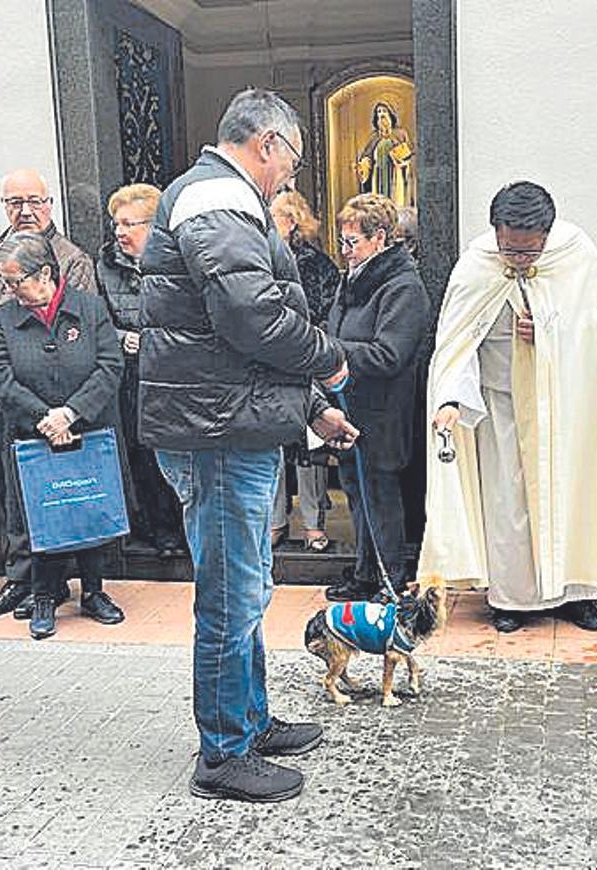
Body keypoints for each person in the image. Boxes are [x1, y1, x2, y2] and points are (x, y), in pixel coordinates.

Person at [139, 88, 358, 803]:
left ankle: (250, 720)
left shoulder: (219, 195)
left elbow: (242, 339)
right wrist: (326, 359)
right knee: (231, 594)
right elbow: (251, 316)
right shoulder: (217, 198)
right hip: (218, 433)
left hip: (228, 420)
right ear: (267, 144)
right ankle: (224, 753)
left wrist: (315, 409)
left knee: (246, 585)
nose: (287, 180)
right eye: (289, 165)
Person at [419, 181, 597, 632]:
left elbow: (596, 333)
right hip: (500, 405)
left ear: (547, 234)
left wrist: (547, 330)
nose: (519, 262)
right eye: (510, 251)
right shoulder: (478, 264)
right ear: (496, 234)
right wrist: (449, 400)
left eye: (528, 252)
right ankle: (512, 600)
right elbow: (458, 343)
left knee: (573, 495)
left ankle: (580, 594)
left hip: (566, 407)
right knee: (509, 508)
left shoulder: (575, 255)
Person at [0, 233, 125, 640]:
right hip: (32, 433)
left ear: (45, 274)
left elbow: (110, 366)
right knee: (41, 514)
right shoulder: (5, 319)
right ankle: (43, 596)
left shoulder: (89, 308)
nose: (8, 291)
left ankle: (94, 592)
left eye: (15, 281)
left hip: (86, 427)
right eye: (5, 283)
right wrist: (44, 416)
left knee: (89, 508)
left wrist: (71, 413)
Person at [0, 169, 97, 619]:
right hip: (13, 401)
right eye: (14, 203)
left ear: (51, 203)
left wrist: (63, 412)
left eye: (34, 201)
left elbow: (82, 336)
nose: (24, 211)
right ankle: (20, 579)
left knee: (65, 495)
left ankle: (54, 584)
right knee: (17, 498)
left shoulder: (73, 259)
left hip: (63, 405)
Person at [324, 193, 430, 601]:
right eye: (343, 241)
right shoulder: (353, 276)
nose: (345, 250)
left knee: (382, 497)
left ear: (380, 238)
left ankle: (390, 579)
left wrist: (332, 351)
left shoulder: (403, 284)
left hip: (384, 411)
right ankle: (365, 573)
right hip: (348, 403)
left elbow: (391, 353)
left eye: (352, 241)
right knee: (355, 489)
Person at [97, 183, 186, 558]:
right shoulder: (104, 265)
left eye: (129, 223)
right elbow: (96, 318)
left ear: (154, 225)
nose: (119, 232)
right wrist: (121, 337)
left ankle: (188, 530)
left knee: (181, 453)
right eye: (116, 223)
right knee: (143, 453)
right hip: (132, 374)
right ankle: (160, 530)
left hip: (176, 370)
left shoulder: (179, 258)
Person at [268, 190, 342, 552]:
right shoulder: (260, 257)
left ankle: (314, 524)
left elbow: (323, 316)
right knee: (273, 444)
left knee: (310, 450)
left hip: (305, 361)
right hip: (269, 362)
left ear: (293, 220)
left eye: (275, 216)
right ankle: (276, 522)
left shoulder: (317, 264)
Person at [356, 101, 414, 208]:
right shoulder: (374, 137)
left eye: (384, 111)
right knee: (379, 202)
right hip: (378, 174)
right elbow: (367, 157)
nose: (381, 114)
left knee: (396, 199)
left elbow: (408, 154)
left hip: (395, 173)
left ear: (390, 114)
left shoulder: (400, 133)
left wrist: (403, 162)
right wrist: (363, 165)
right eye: (379, 112)